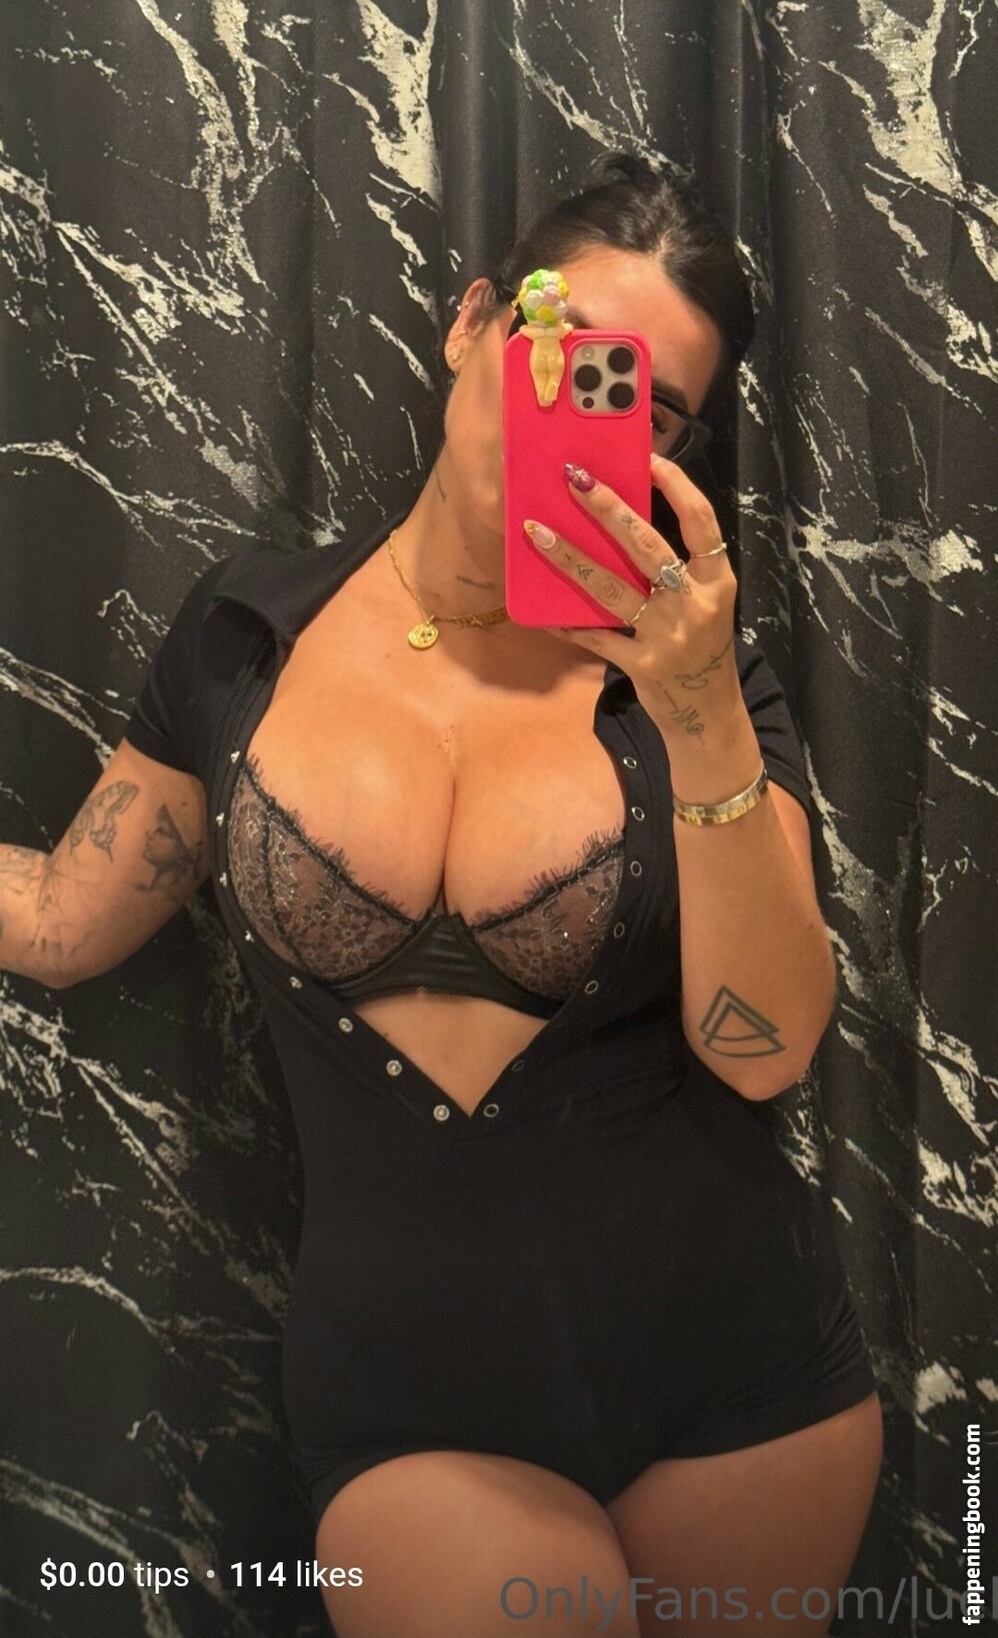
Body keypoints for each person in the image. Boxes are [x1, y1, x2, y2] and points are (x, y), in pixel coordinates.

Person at [2, 153, 883, 1638]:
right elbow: (62, 922)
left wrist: (700, 715)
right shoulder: (244, 633)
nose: (593, 417)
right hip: (415, 1404)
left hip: (748, 1387)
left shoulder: (696, 675)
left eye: (649, 408)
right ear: (472, 323)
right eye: (565, 352)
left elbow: (767, 1048)